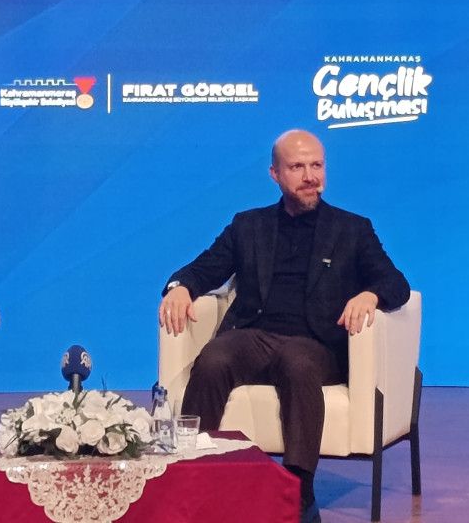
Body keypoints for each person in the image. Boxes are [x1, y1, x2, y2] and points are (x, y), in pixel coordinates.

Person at [159, 130, 409, 523]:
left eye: (317, 165)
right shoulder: (249, 225)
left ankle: (298, 489)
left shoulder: (352, 229)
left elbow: (396, 283)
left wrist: (370, 295)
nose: (311, 176)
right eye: (298, 167)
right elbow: (205, 267)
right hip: (254, 335)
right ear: (275, 174)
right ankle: (193, 475)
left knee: (297, 362)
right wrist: (181, 288)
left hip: (316, 344)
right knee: (214, 357)